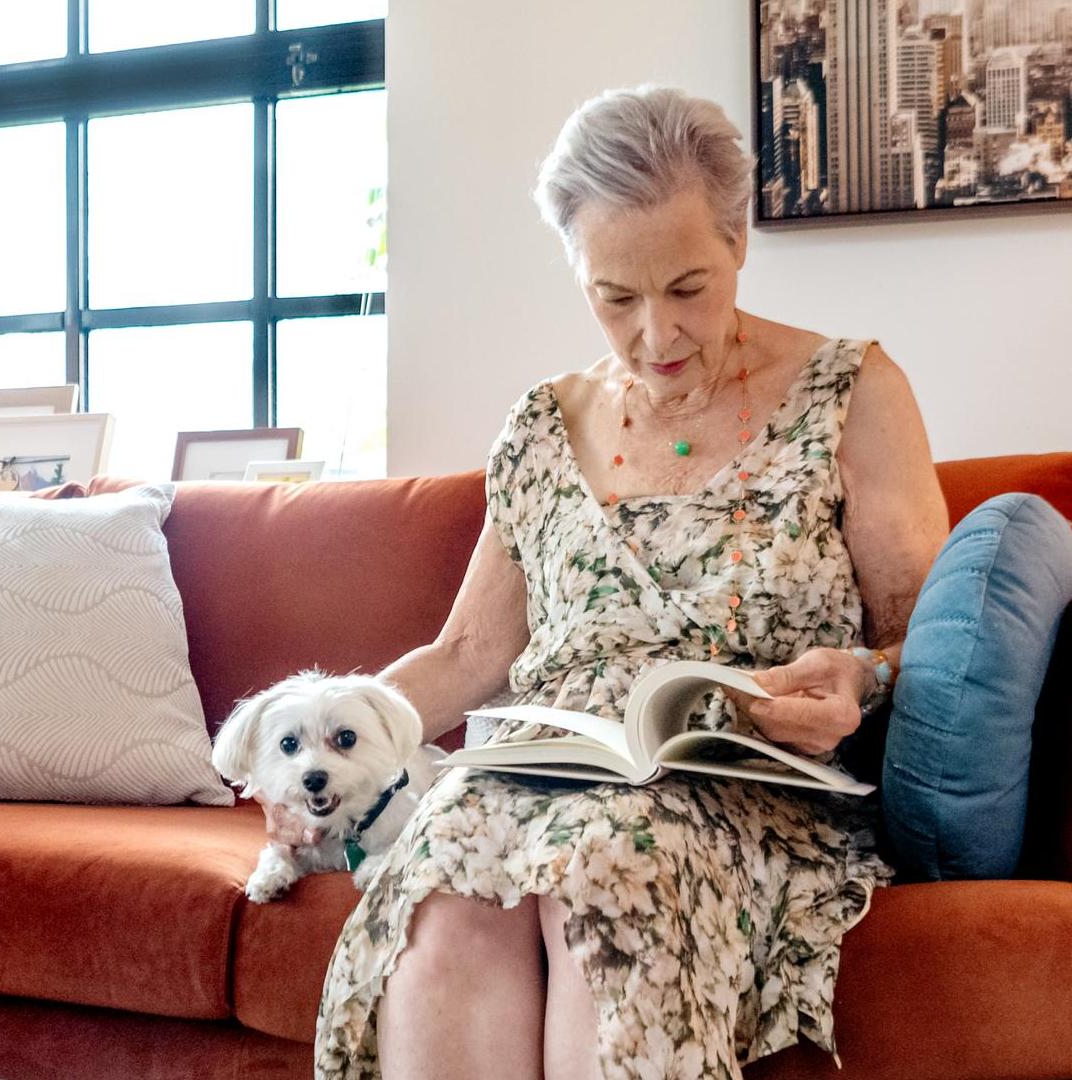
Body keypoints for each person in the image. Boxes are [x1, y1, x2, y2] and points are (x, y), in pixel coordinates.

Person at [309, 86, 950, 1080]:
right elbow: (470, 653)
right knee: (441, 890)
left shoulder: (852, 393)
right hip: (543, 776)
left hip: (742, 789)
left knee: (606, 864)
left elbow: (929, 640)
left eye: (688, 288)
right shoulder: (540, 425)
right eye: (616, 299)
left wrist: (862, 678)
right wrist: (325, 738)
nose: (657, 335)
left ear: (738, 241)